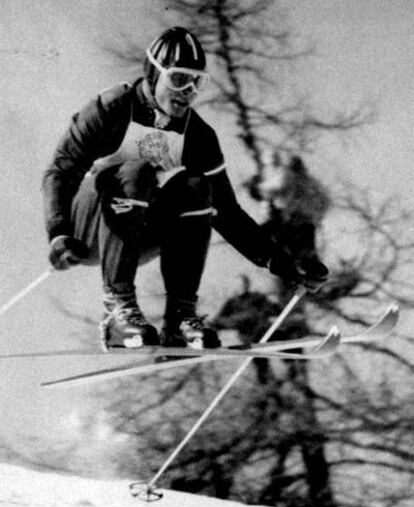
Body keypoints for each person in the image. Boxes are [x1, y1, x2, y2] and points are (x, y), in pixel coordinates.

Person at [42, 27, 329, 350]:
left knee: (196, 187)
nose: (188, 91)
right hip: (89, 227)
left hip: (137, 234)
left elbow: (228, 214)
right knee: (137, 171)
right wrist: (58, 233)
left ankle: (179, 317)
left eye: (197, 82)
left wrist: (285, 264)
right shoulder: (113, 108)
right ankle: (117, 312)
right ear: (153, 74)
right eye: (178, 79)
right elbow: (61, 170)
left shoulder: (199, 137)